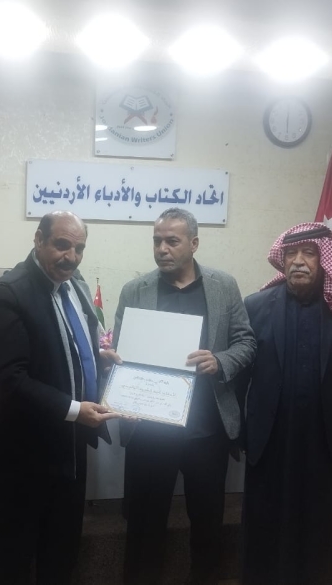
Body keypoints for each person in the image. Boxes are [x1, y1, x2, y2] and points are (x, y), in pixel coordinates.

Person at [113, 208, 257, 584]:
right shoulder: (135, 290)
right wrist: (119, 388)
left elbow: (246, 342)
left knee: (208, 522)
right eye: (157, 241)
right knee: (144, 525)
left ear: (194, 243)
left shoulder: (223, 285)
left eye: (172, 241)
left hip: (206, 431)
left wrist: (220, 360)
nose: (162, 249)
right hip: (149, 429)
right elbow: (121, 355)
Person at [0, 211, 121, 585]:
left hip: (71, 445)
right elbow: (10, 379)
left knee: (63, 546)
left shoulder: (74, 286)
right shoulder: (7, 293)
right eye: (62, 245)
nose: (71, 257)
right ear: (39, 240)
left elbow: (65, 344)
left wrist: (97, 357)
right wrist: (74, 410)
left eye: (79, 248)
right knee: (19, 548)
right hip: (26, 451)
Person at [240, 222, 332, 585]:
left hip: (326, 441)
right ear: (281, 260)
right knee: (266, 518)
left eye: (309, 253)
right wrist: (235, 431)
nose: (298, 261)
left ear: (325, 260)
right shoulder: (255, 306)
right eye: (291, 254)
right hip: (271, 438)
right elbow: (240, 376)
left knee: (322, 522)